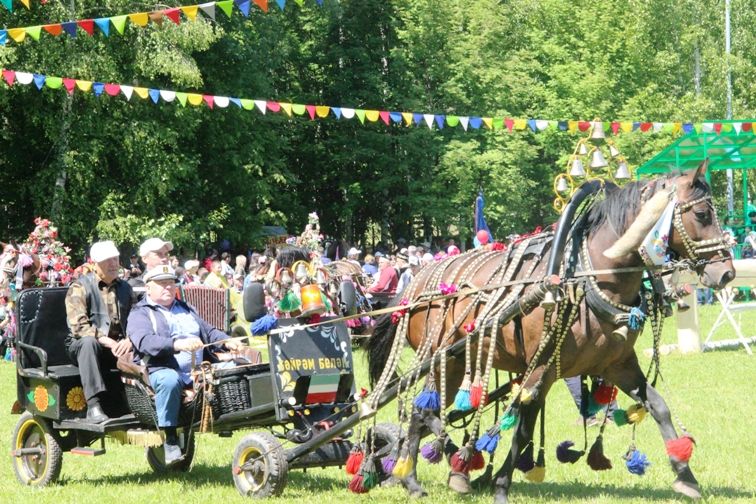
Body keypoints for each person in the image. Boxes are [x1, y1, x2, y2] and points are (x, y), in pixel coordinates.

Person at [128, 265, 242, 464]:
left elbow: (209, 331)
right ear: (148, 288)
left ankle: (231, 418)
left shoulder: (186, 308)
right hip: (161, 368)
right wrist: (177, 344)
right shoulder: (140, 313)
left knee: (237, 368)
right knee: (169, 381)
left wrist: (226, 340)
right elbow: (144, 342)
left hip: (198, 368)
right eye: (162, 283)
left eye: (171, 283)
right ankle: (170, 439)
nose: (168, 287)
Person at [65, 240, 135, 423]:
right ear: (95, 263)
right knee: (89, 343)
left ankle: (141, 400)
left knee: (145, 342)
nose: (114, 264)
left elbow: (137, 319)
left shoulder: (126, 288)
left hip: (119, 345)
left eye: (116, 258)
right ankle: (94, 405)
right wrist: (106, 340)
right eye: (108, 260)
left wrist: (130, 340)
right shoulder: (80, 287)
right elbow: (79, 326)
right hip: (84, 346)